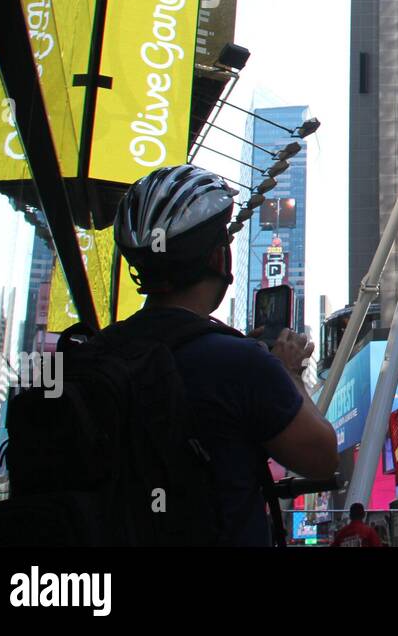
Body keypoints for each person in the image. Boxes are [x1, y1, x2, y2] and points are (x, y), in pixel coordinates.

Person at [113, 164, 338, 545]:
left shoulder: (100, 352)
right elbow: (322, 457)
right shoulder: (242, 364)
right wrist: (289, 372)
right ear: (220, 259)